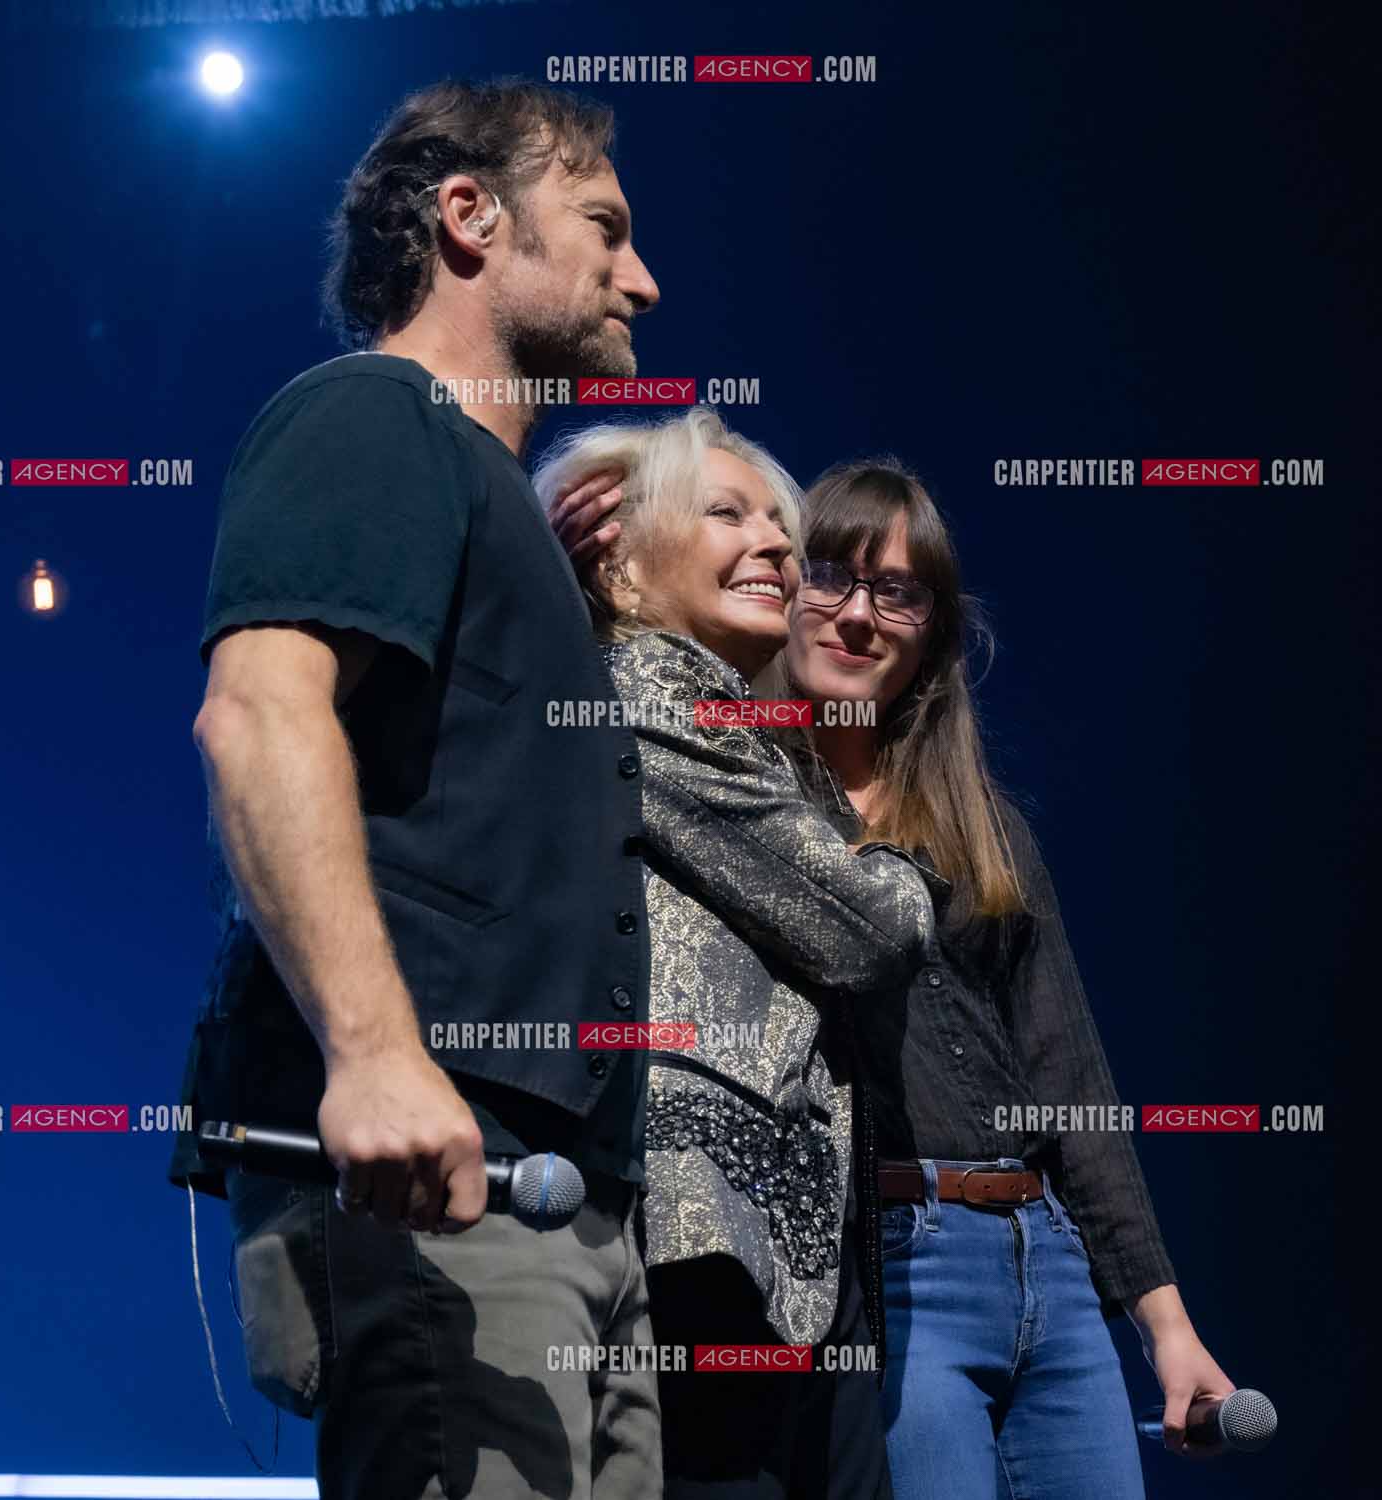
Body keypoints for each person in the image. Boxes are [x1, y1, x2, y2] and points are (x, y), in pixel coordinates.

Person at [553, 457, 1237, 1498]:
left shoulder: (982, 826)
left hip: (1043, 1253)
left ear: (933, 626)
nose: (858, 615)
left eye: (898, 590)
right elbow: (580, 684)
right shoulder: (730, 776)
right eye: (828, 574)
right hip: (882, 1258)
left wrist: (1166, 1325)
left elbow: (1072, 1080)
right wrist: (577, 567)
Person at [164, 80, 666, 1500]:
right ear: (469, 217)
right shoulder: (371, 414)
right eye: (604, 227)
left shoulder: (486, 493)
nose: (643, 276)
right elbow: (259, 716)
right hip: (442, 1174)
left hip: (564, 1191)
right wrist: (376, 1054)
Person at [533, 406, 940, 1500]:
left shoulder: (729, 721)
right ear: (619, 564)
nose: (776, 545)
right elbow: (872, 930)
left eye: (781, 524)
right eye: (727, 514)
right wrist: (906, 868)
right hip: (700, 1235)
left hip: (779, 1244)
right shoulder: (643, 691)